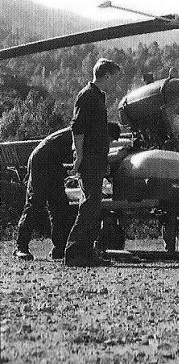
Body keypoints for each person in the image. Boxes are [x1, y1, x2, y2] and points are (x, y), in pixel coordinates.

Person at [12, 123, 122, 261]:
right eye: (110, 139)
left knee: (59, 207)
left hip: (54, 163)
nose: (109, 143)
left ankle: (59, 248)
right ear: (105, 134)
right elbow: (87, 159)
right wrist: (116, 156)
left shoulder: (89, 134)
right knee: (35, 204)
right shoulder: (88, 135)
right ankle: (20, 247)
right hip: (42, 161)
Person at [64, 58, 121, 267]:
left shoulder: (97, 97)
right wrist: (79, 156)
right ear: (106, 76)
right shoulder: (87, 96)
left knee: (93, 205)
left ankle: (86, 253)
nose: (115, 84)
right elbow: (77, 128)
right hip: (89, 160)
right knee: (89, 205)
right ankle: (73, 253)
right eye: (114, 79)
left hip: (95, 159)